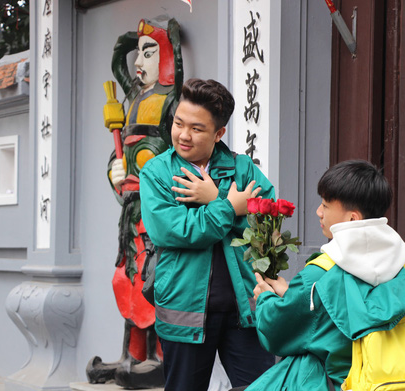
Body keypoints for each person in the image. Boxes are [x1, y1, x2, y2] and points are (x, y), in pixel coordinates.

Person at [139, 78, 276, 391]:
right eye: (178, 123)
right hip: (183, 308)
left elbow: (269, 227)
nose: (184, 135)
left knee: (261, 388)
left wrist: (213, 198)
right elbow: (176, 231)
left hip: (246, 309)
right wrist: (229, 206)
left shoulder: (243, 169)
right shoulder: (157, 173)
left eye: (197, 128)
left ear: (218, 133)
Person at [247, 160, 405, 390]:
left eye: (326, 205)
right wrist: (296, 294)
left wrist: (265, 299)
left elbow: (277, 334)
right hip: (388, 380)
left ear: (352, 219)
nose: (318, 212)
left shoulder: (319, 275)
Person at [87, 17, 182, 388]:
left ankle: (158, 357)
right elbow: (125, 163)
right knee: (127, 275)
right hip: (130, 208)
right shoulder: (134, 101)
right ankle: (132, 353)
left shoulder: (172, 102)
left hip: (156, 209)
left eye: (149, 51)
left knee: (152, 276)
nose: (139, 62)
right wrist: (114, 170)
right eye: (137, 53)